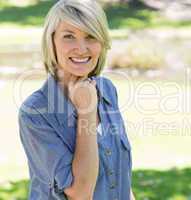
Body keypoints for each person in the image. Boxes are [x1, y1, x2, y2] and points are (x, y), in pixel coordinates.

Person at [18, 0, 135, 199]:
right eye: (69, 37)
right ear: (51, 41)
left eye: (90, 36)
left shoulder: (107, 90)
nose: (81, 49)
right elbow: (80, 193)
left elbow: (120, 179)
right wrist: (86, 111)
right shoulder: (35, 112)